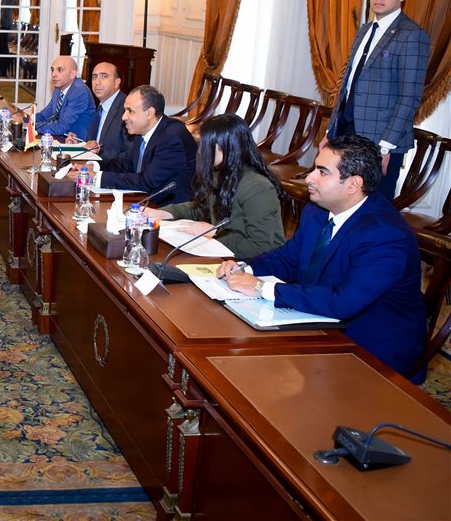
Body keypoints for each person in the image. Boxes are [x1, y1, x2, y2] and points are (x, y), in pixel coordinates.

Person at [218, 135, 426, 382]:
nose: (309, 178)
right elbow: (287, 260)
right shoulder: (316, 211)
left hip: (370, 351)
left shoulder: (385, 235)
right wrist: (246, 268)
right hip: (319, 322)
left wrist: (261, 288)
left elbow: (342, 303)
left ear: (353, 184)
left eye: (322, 172)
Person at [326, 0, 431, 200]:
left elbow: (409, 97)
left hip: (380, 142)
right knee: (340, 202)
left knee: (372, 209)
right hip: (345, 133)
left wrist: (385, 146)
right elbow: (348, 85)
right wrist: (330, 130)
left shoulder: (412, 35)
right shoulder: (364, 31)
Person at [143, 114, 285, 257]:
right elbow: (202, 208)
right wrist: (163, 213)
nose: (200, 151)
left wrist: (214, 232)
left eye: (205, 145)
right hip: (226, 254)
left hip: (259, 264)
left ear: (225, 147)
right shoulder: (221, 173)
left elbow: (260, 246)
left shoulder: (257, 187)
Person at [97, 85, 196, 205]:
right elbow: (125, 165)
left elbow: (147, 181)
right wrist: (93, 167)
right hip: (144, 201)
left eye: (130, 111)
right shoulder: (142, 132)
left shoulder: (171, 137)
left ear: (150, 113)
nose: (123, 117)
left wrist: (99, 178)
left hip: (169, 208)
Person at [67, 61, 130, 163]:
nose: (97, 82)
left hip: (110, 171)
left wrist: (99, 151)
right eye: (94, 77)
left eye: (104, 76)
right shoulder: (101, 106)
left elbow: (129, 157)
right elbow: (95, 142)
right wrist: (80, 144)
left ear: (117, 82)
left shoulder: (127, 109)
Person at [28, 55, 94, 137]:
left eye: (59, 70)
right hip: (62, 138)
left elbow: (61, 127)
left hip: (77, 142)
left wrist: (32, 126)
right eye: (52, 70)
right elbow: (44, 115)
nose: (53, 74)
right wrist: (24, 121)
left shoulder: (80, 92)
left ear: (72, 74)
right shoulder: (57, 90)